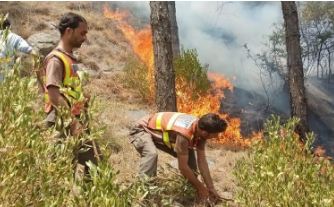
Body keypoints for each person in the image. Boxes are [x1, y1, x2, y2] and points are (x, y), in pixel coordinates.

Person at [40, 12, 100, 179]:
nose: (85, 38)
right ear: (68, 31)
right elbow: (53, 94)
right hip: (62, 123)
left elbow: (71, 88)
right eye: (82, 33)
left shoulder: (71, 59)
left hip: (77, 120)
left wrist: (83, 99)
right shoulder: (55, 59)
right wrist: (73, 123)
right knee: (63, 171)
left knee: (96, 164)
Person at [129, 112, 228, 203]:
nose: (217, 137)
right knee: (151, 154)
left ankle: (193, 195)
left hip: (162, 135)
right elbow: (183, 167)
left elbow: (202, 162)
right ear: (205, 133)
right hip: (141, 130)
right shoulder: (184, 135)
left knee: (192, 168)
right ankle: (143, 192)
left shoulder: (201, 129)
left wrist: (211, 188)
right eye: (215, 135)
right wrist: (201, 188)